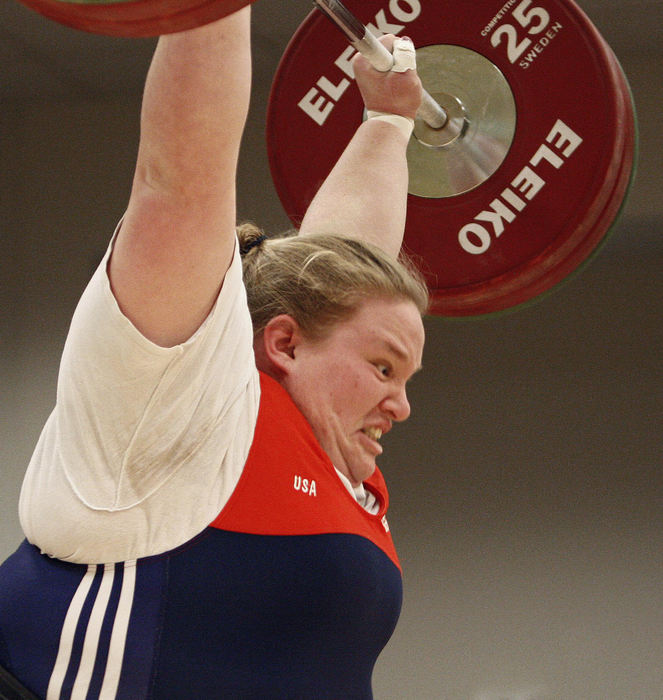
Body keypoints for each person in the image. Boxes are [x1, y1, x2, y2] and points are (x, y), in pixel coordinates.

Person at [0, 6, 428, 698]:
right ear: (283, 343)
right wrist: (211, 12)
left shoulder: (329, 459)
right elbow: (179, 184)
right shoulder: (174, 410)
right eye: (384, 369)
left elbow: (347, 268)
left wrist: (387, 121)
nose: (400, 405)